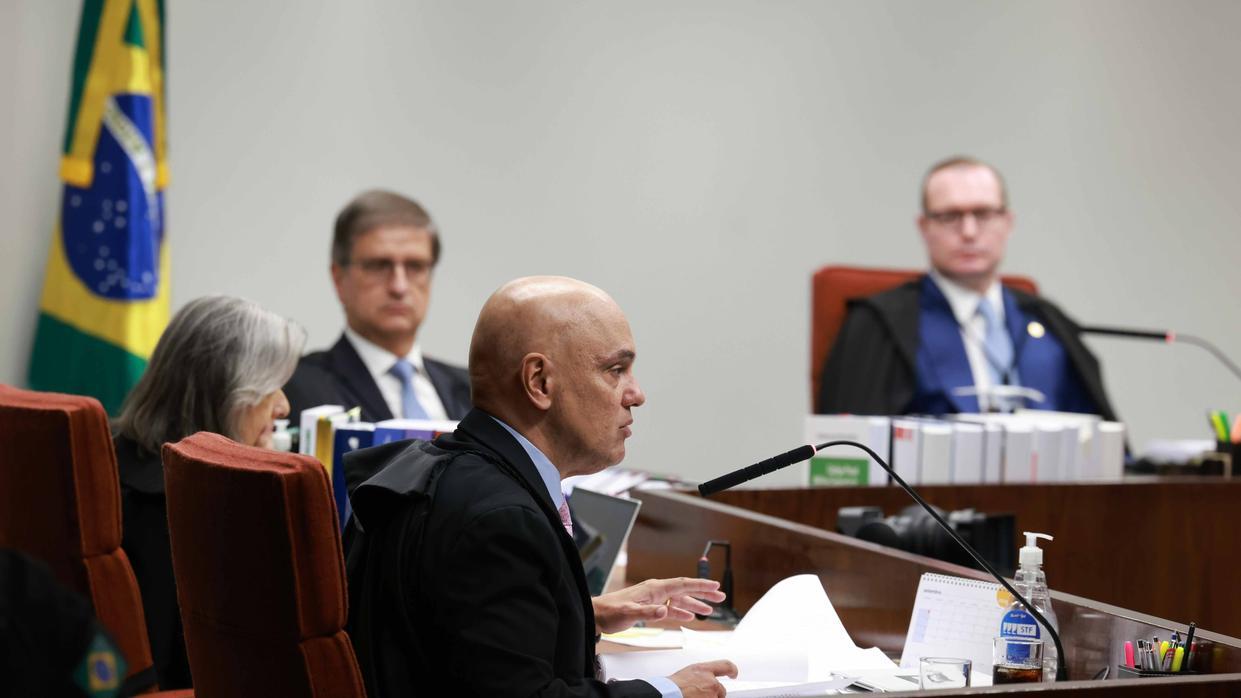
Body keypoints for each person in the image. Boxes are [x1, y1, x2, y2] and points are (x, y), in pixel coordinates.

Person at [346, 276, 738, 698]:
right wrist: (669, 691)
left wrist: (581, 616)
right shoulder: (499, 519)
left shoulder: (446, 470)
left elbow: (450, 642)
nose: (636, 394)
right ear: (539, 382)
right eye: (615, 370)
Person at [817, 156, 1118, 418]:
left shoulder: (1047, 322)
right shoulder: (881, 325)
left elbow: (1102, 445)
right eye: (950, 216)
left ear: (1008, 223)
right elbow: (846, 451)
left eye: (984, 214)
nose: (969, 232)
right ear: (924, 227)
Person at [112, 295, 306, 689]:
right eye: (271, 388)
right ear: (225, 393)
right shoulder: (173, 509)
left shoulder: (114, 457)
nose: (284, 407)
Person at [283, 190, 471, 423]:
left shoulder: (475, 393)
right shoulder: (296, 387)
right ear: (339, 278)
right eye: (378, 266)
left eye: (415, 266)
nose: (399, 286)